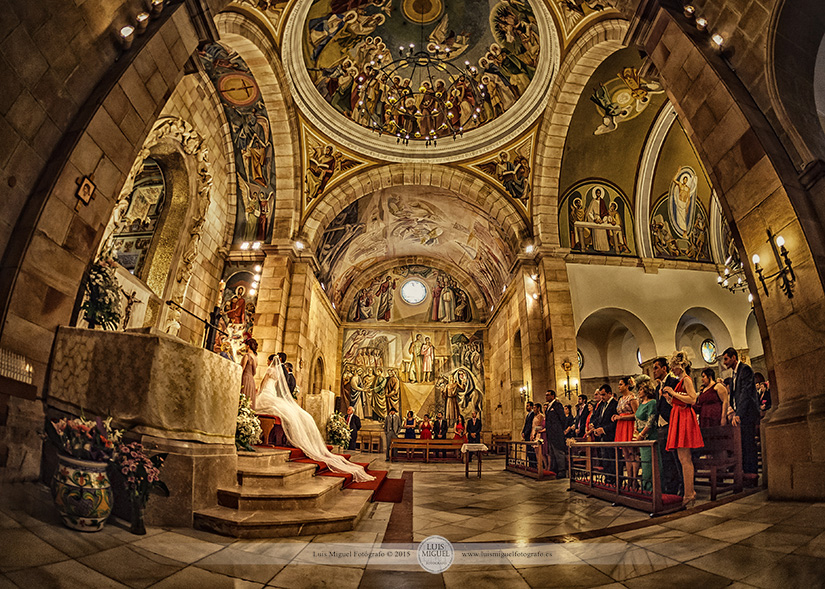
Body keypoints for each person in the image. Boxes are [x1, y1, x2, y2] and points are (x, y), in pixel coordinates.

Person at [255, 357, 374, 482]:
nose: (267, 362)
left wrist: (258, 392)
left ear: (270, 361)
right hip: (273, 394)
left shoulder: (270, 370)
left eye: (268, 361)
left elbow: (263, 385)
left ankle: (267, 437)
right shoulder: (279, 374)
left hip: (267, 394)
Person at [663, 349, 703, 507]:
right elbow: (680, 400)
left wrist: (673, 392)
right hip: (678, 417)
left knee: (685, 459)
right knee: (682, 458)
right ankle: (688, 492)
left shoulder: (686, 379)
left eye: (673, 366)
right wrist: (669, 398)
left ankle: (689, 493)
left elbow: (692, 399)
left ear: (680, 365)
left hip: (685, 418)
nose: (672, 369)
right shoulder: (680, 380)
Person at [722, 348, 760, 477]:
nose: (724, 362)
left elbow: (746, 393)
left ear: (734, 357)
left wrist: (739, 414)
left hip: (748, 414)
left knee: (749, 444)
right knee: (742, 444)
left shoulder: (745, 369)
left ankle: (752, 474)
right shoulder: (734, 373)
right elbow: (735, 395)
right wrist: (732, 409)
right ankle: (745, 473)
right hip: (741, 413)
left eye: (726, 359)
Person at [653, 356, 682, 496]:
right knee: (665, 459)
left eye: (656, 368)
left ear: (665, 368)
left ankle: (681, 486)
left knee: (675, 458)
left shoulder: (673, 382)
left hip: (672, 423)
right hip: (661, 426)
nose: (653, 371)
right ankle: (670, 487)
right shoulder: (658, 386)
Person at [612, 376, 639, 488]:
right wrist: (616, 417)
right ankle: (629, 478)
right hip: (621, 426)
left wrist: (621, 418)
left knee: (633, 453)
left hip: (629, 425)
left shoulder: (632, 398)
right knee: (626, 454)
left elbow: (637, 414)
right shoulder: (620, 399)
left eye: (621, 384)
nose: (619, 386)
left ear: (627, 385)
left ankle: (634, 479)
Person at [633, 377, 659, 492]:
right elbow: (637, 418)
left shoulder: (652, 402)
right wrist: (636, 430)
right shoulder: (641, 403)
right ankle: (646, 488)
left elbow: (651, 420)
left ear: (647, 390)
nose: (639, 391)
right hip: (641, 436)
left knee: (651, 463)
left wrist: (642, 434)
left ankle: (653, 489)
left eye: (641, 389)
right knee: (645, 464)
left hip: (649, 436)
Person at [544, 390, 568, 477]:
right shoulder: (549, 407)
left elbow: (562, 418)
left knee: (558, 452)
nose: (546, 397)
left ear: (553, 396)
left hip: (557, 433)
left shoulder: (557, 405)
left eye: (548, 395)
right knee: (552, 453)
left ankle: (562, 471)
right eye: (546, 395)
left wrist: (559, 430)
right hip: (550, 434)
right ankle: (554, 470)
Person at [240, 339, 258, 409]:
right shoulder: (256, 358)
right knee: (248, 400)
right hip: (251, 381)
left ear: (248, 346)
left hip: (245, 379)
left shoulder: (247, 356)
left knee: (243, 398)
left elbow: (242, 368)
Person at [531, 403, 547, 469]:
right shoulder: (535, 416)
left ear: (538, 408)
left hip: (538, 434)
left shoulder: (540, 416)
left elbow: (539, 425)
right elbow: (533, 426)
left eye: (535, 408)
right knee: (536, 452)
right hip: (534, 433)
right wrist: (532, 434)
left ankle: (545, 466)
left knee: (540, 452)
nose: (534, 409)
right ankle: (538, 465)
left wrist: (535, 433)